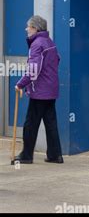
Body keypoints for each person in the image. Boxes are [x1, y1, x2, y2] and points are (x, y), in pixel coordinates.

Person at [14, 15, 63, 164]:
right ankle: (55, 155)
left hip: (40, 92)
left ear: (35, 28)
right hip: (50, 90)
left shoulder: (37, 44)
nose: (26, 29)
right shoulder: (49, 42)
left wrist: (20, 84)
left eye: (28, 26)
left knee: (30, 123)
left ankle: (27, 155)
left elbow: (33, 69)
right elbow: (57, 60)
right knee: (50, 123)